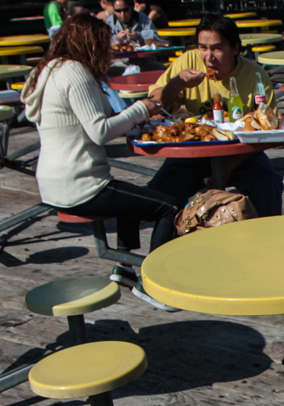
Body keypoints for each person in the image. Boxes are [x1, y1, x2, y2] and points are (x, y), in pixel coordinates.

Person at [21, 14, 180, 311]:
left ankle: (124, 267)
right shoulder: (76, 73)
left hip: (54, 183)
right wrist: (141, 109)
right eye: (104, 44)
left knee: (134, 196)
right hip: (81, 184)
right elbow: (100, 132)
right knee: (169, 207)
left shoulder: (48, 70)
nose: (110, 50)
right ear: (90, 44)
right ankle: (155, 284)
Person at [148, 14, 284, 217]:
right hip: (195, 150)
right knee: (160, 190)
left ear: (235, 48)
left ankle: (268, 242)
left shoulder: (255, 76)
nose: (208, 57)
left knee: (269, 184)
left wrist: (226, 168)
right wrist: (177, 84)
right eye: (203, 47)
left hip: (241, 153)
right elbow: (156, 103)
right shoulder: (187, 63)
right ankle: (161, 247)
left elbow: (266, 132)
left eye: (217, 48)